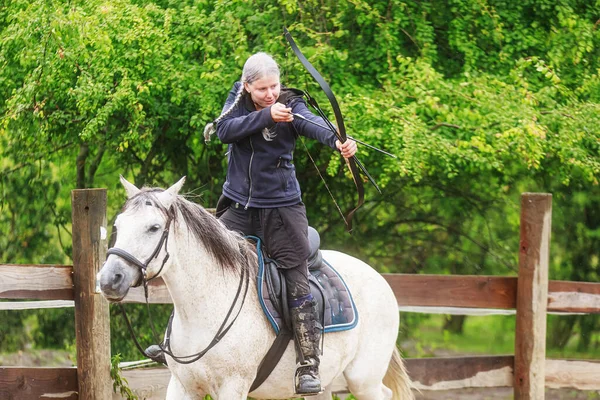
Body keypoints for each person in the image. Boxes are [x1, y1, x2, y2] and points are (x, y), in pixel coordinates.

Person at [148, 52, 357, 395]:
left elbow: (309, 123)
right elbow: (224, 130)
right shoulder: (238, 102)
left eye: (274, 86)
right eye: (262, 89)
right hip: (240, 207)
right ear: (247, 86)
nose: (271, 93)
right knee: (202, 262)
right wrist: (264, 116)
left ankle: (307, 363)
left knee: (295, 272)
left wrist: (336, 140)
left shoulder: (289, 102)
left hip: (282, 208)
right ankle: (179, 347)